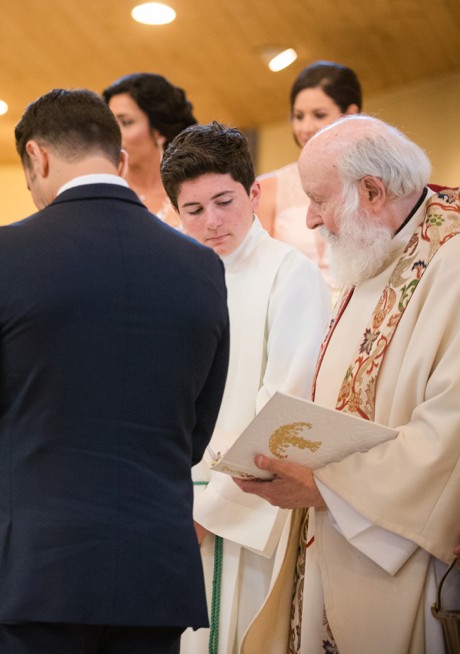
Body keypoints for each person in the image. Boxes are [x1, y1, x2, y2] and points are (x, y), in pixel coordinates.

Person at [0, 88, 230, 654]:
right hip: (152, 572)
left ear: (37, 157)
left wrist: (1, 508)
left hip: (33, 571)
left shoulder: (0, 256)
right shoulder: (202, 266)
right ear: (118, 159)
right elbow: (194, 429)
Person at [236, 115, 460, 654]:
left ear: (373, 191)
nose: (310, 219)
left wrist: (325, 485)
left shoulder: (450, 258)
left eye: (318, 199)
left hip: (401, 554)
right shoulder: (376, 244)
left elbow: (448, 434)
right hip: (335, 538)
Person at [159, 122, 332, 654]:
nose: (212, 221)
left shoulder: (290, 274)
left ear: (254, 193)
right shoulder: (171, 277)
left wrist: (206, 513)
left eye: (224, 200)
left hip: (240, 513)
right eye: (194, 209)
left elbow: (285, 408)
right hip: (169, 505)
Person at [257, 61, 362, 282]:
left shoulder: (371, 183)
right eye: (299, 116)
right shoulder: (267, 187)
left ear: (351, 114)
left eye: (319, 115)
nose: (305, 128)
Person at [103, 72, 197, 228]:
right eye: (110, 123)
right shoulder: (104, 191)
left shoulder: (191, 191)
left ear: (159, 131)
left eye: (126, 123)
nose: (114, 133)